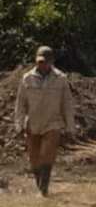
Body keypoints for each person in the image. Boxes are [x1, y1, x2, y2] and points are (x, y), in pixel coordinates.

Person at [14, 46, 75, 197]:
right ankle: (39, 184)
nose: (41, 65)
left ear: (51, 62)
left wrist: (70, 127)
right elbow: (20, 104)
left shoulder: (60, 79)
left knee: (47, 153)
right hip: (33, 123)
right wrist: (19, 125)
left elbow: (67, 103)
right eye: (39, 62)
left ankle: (44, 187)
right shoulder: (27, 78)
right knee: (34, 158)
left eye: (44, 62)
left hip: (52, 122)